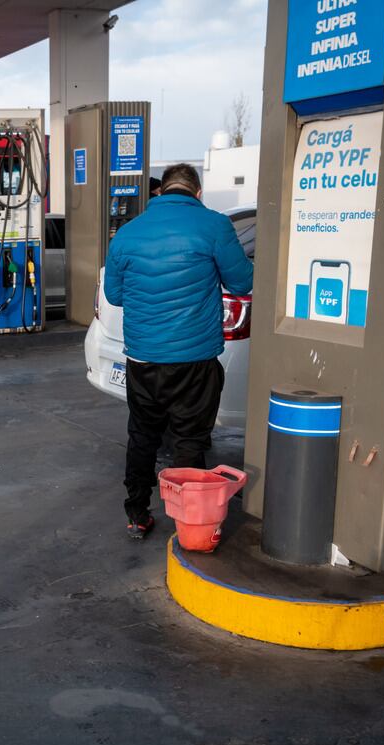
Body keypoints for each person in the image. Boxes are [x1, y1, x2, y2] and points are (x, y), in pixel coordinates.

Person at [104, 163, 253, 539]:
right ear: (197, 192)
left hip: (143, 359)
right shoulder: (215, 226)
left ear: (161, 191)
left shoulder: (127, 232)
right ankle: (190, 524)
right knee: (190, 441)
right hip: (195, 360)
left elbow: (115, 295)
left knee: (142, 436)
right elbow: (242, 280)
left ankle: (137, 514)